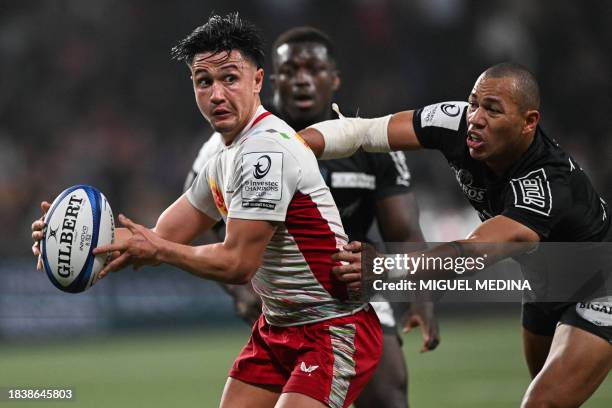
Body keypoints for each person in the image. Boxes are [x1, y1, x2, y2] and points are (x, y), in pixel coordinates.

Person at [31, 14, 382, 408]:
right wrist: (69, 238)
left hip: (332, 326)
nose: (216, 94)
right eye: (204, 81)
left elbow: (236, 264)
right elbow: (159, 234)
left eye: (229, 78)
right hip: (278, 327)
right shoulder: (225, 157)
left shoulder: (264, 150)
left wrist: (160, 252)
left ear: (258, 80)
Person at [299, 62, 612, 408]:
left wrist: (386, 269)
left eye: (492, 110)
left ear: (529, 122)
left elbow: (473, 251)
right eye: (474, 102)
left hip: (600, 287)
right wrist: (291, 147)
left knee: (541, 404)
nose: (476, 117)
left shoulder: (546, 185)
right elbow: (362, 132)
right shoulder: (457, 122)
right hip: (544, 284)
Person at [184, 27, 440, 408]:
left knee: (388, 392)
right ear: (269, 80)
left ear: (333, 78)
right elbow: (194, 225)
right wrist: (241, 291)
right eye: (290, 70)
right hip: (282, 297)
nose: (301, 79)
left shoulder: (367, 143)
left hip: (354, 292)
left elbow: (402, 228)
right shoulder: (234, 141)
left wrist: (422, 299)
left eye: (313, 69)